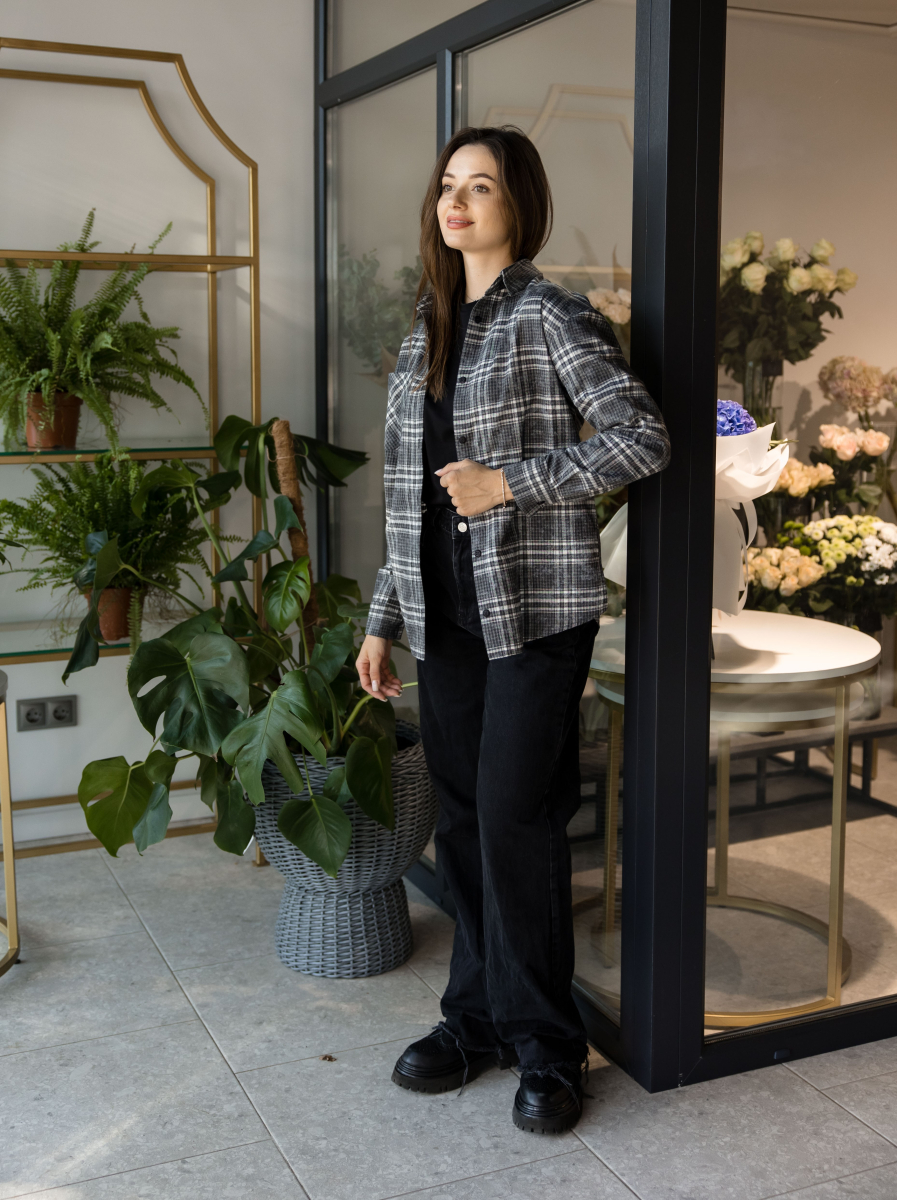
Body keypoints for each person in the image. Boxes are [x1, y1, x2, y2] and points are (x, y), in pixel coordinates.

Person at [357, 125, 670, 1134]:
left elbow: (641, 438)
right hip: (443, 617)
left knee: (512, 819)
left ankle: (548, 1047)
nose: (456, 202)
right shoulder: (426, 326)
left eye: (480, 186)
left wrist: (511, 485)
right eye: (448, 184)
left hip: (532, 613)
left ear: (516, 204)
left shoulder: (550, 314)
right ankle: (476, 1020)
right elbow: (407, 495)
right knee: (460, 820)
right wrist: (382, 620)